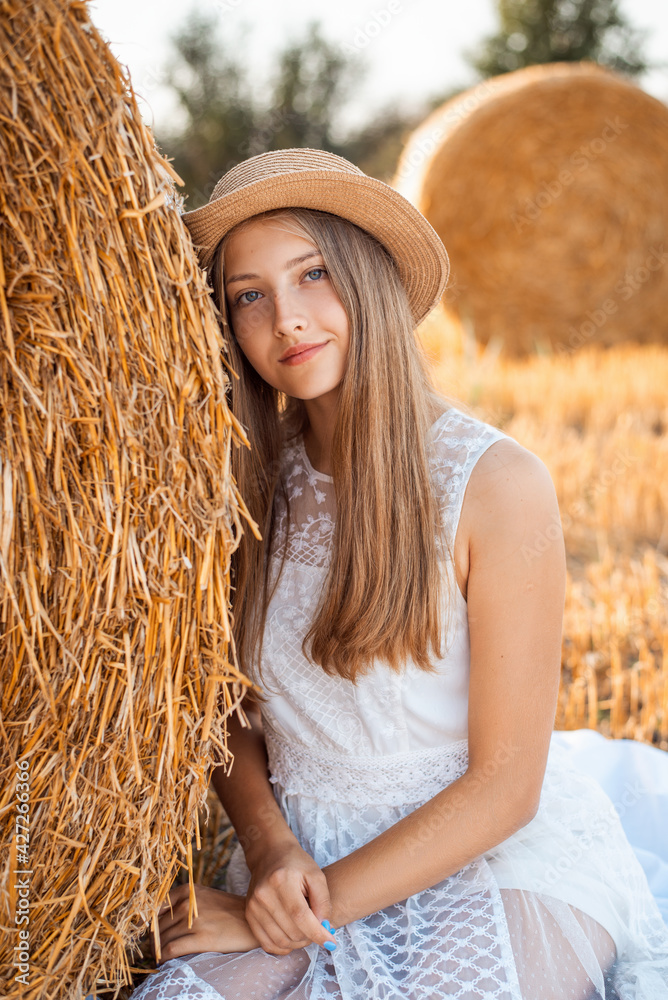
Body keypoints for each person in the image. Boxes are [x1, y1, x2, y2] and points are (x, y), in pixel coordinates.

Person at [128, 149, 668, 1000]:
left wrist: (287, 916)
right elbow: (219, 705)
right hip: (301, 850)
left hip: (483, 853)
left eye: (312, 274)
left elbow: (503, 790)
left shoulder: (495, 485)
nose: (287, 320)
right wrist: (269, 852)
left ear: (368, 278)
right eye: (249, 295)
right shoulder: (244, 485)